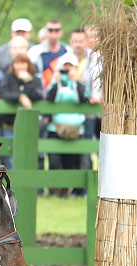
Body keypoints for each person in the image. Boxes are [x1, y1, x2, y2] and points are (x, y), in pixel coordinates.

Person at [46, 52, 88, 196]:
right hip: (56, 127)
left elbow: (83, 99)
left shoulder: (79, 83)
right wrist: (57, 81)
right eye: (65, 67)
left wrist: (75, 81)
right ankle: (55, 190)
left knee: (70, 162)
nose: (67, 70)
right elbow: (50, 99)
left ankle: (66, 191)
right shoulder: (55, 81)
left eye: (71, 67)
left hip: (75, 128)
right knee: (54, 161)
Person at [29, 19, 71, 90]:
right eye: (50, 30)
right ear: (45, 32)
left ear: (61, 32)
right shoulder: (35, 51)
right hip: (40, 93)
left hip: (63, 93)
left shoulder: (68, 51)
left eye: (57, 30)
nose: (53, 34)